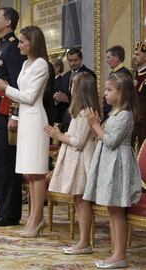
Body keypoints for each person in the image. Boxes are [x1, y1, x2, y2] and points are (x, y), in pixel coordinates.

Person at [0, 25, 50, 236]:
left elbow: (30, 96)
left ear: (33, 42)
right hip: (25, 119)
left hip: (35, 119)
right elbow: (22, 95)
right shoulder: (26, 63)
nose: (19, 45)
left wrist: (5, 88)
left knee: (37, 171)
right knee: (29, 172)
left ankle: (36, 218)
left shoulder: (41, 64)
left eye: (23, 41)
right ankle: (35, 218)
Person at [83, 73, 142, 269]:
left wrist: (94, 125)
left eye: (109, 90)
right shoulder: (113, 114)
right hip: (109, 164)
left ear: (122, 93)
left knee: (117, 211)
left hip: (118, 166)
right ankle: (116, 252)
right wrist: (96, 124)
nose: (105, 94)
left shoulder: (125, 115)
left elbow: (110, 140)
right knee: (112, 210)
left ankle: (120, 255)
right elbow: (101, 137)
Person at [44, 72, 100, 254]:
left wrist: (58, 135)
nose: (71, 87)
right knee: (78, 200)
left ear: (82, 89)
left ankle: (84, 243)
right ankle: (83, 241)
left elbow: (79, 141)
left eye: (75, 84)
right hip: (76, 159)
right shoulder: (79, 112)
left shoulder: (87, 112)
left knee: (82, 202)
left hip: (83, 161)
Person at [0, 7, 26, 227]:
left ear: (8, 22)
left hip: (6, 113)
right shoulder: (3, 47)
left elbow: (17, 84)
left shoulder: (13, 49)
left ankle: (10, 214)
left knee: (8, 165)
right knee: (0, 163)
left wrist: (15, 115)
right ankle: (2, 210)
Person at [55, 48, 96, 131]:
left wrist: (68, 99)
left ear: (81, 59)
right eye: (70, 61)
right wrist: (57, 98)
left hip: (82, 116)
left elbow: (88, 98)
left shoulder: (89, 74)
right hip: (66, 118)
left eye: (75, 60)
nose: (72, 63)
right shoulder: (65, 76)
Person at [103, 45, 133, 119]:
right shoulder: (113, 73)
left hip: (118, 113)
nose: (107, 60)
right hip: (112, 111)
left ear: (116, 57)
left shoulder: (124, 73)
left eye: (108, 57)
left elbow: (124, 96)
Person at [132, 41, 146, 144]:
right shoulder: (134, 75)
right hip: (133, 120)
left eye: (137, 54)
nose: (134, 57)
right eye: (134, 54)